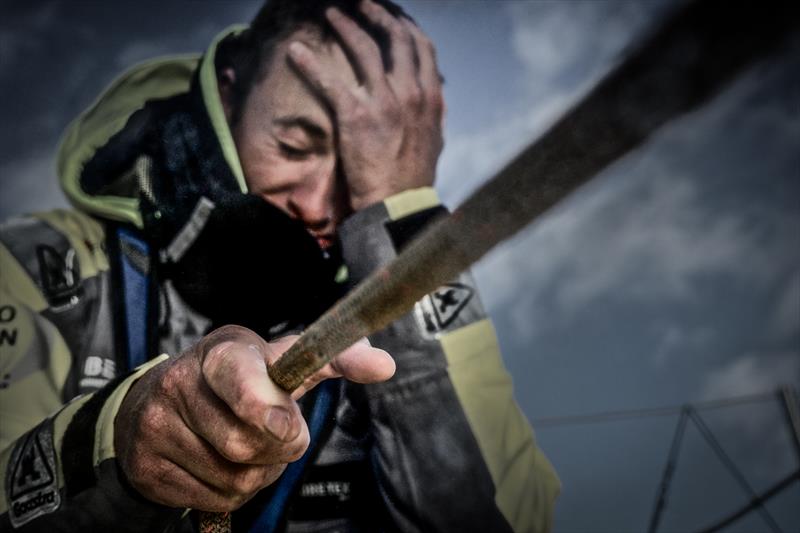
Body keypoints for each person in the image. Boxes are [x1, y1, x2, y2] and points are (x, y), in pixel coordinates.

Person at [0, 0, 559, 531]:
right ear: (227, 99)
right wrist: (116, 444)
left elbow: (510, 523)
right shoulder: (29, 267)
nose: (318, 207)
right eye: (294, 146)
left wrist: (407, 217)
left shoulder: (389, 334)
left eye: (361, 180)